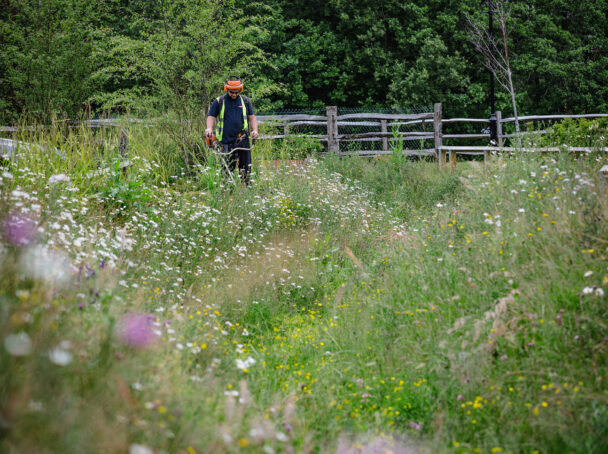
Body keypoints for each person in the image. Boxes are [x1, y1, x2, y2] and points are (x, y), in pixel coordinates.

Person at [206, 76, 259, 184]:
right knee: (227, 169)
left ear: (240, 90)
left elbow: (252, 117)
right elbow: (211, 116)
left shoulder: (245, 100)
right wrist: (209, 128)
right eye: (232, 92)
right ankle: (227, 191)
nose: (234, 94)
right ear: (227, 89)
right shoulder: (219, 101)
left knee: (246, 168)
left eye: (236, 92)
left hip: (242, 139)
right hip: (226, 140)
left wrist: (255, 130)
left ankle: (246, 189)